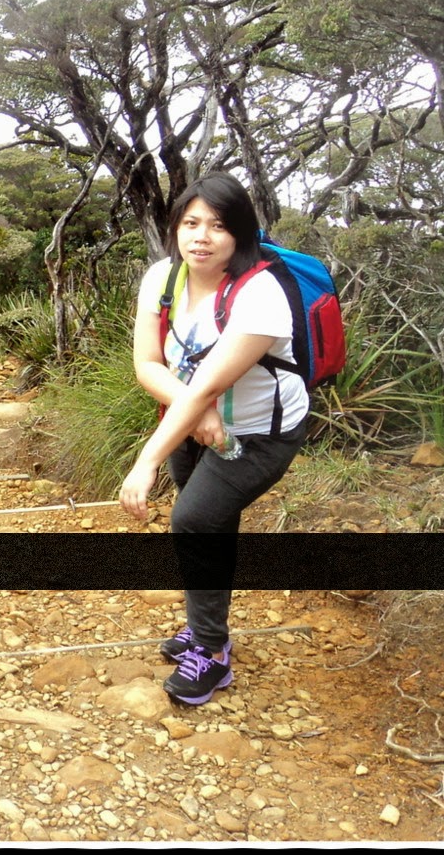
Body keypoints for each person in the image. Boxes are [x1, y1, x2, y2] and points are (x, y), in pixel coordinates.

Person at [120, 172, 310, 706]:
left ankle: (213, 650)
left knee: (195, 520)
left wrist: (146, 460)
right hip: (194, 423)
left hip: (259, 433)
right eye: (191, 222)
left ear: (241, 234)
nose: (202, 236)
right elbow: (146, 364)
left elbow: (209, 383)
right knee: (211, 523)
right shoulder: (162, 279)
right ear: (175, 227)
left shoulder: (261, 294)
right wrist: (198, 408)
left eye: (219, 226)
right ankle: (204, 625)